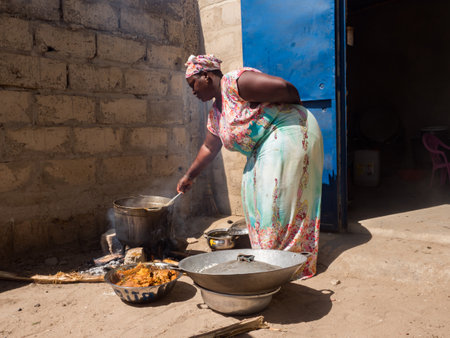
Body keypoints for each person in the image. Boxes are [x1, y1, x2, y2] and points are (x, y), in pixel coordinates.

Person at [177, 54, 324, 279]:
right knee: (252, 198)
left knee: (272, 201)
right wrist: (189, 176)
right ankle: (272, 258)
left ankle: (289, 264)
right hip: (263, 144)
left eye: (192, 84)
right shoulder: (216, 113)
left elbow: (286, 88)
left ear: (206, 76)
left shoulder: (236, 82)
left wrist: (291, 112)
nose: (193, 91)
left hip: (287, 130)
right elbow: (209, 147)